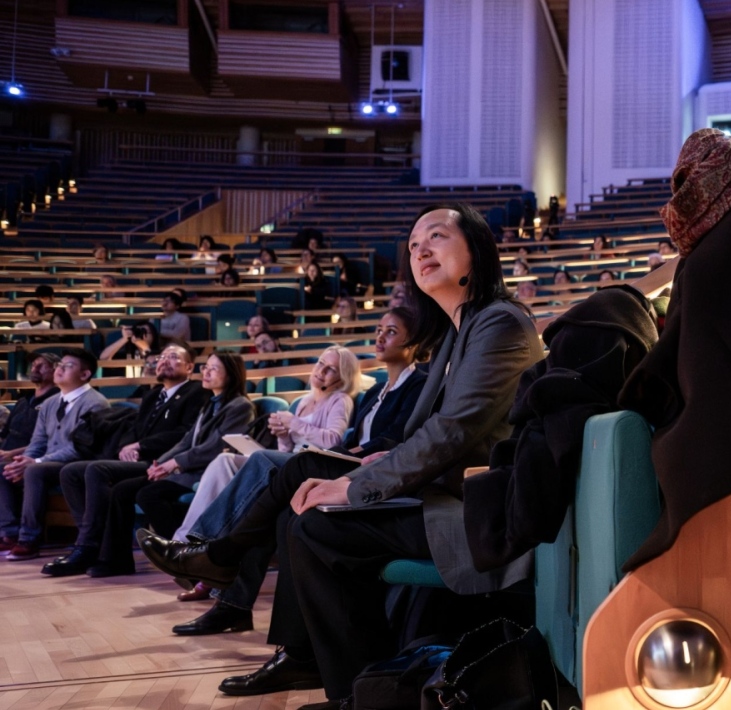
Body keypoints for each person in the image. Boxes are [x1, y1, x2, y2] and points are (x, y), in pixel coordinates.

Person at [142, 203, 542, 704]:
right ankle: (326, 667)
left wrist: (355, 486)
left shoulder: (499, 322)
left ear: (477, 250)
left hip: (475, 510)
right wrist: (379, 463)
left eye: (436, 237)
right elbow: (438, 433)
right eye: (413, 245)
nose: (421, 251)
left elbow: (454, 431)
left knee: (312, 520)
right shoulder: (456, 333)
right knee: (302, 500)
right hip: (443, 492)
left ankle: (346, 683)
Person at [170, 308, 428, 631]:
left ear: (414, 342)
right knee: (274, 510)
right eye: (378, 329)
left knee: (263, 462)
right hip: (343, 461)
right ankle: (233, 605)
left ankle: (206, 548)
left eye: (391, 331)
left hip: (370, 470)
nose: (380, 337)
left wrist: (342, 451)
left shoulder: (419, 385)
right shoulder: (376, 391)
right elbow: (353, 440)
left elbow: (396, 438)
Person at [44, 344, 208, 577]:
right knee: (70, 472)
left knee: (97, 469)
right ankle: (90, 541)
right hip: (138, 458)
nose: (164, 361)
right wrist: (126, 447)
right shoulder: (153, 394)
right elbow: (134, 428)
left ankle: (88, 546)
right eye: (162, 357)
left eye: (173, 357)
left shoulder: (197, 393)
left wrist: (140, 446)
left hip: (161, 462)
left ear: (190, 367)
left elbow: (185, 434)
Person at [90, 353, 253, 577]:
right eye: (205, 367)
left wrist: (174, 464)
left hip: (205, 472)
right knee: (121, 490)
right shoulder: (210, 404)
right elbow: (186, 441)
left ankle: (182, 556)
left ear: (232, 375)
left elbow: (216, 446)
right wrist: (162, 463)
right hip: (186, 470)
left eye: (214, 369)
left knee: (148, 495)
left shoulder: (240, 406)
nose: (206, 372)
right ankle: (115, 561)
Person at [0, 349, 110, 561]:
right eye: (59, 365)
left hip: (78, 462)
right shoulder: (50, 403)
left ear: (85, 374)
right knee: (3, 468)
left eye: (68, 366)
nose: (60, 369)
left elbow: (80, 447)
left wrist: (35, 461)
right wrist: (23, 460)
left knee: (34, 471)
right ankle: (9, 533)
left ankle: (28, 539)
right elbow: (38, 441)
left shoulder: (95, 402)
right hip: (48, 462)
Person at [0, 354, 60, 551]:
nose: (35, 369)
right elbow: (5, 434)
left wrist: (10, 453)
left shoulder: (56, 401)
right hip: (7, 453)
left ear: (56, 370)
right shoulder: (23, 400)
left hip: (33, 457)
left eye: (42, 366)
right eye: (33, 365)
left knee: (2, 469)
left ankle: (9, 533)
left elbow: (49, 441)